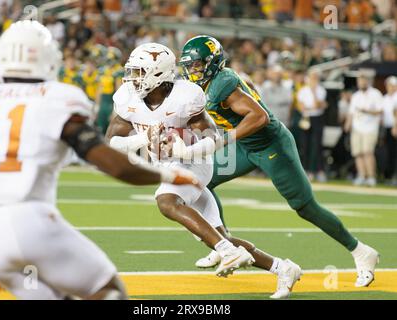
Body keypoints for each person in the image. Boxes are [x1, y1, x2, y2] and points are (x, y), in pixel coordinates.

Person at [0, 20, 198, 300]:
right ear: (48, 57)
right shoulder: (57, 97)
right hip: (31, 222)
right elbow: (113, 164)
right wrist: (169, 176)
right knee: (108, 290)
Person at [179, 35, 379, 288]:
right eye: (190, 65)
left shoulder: (222, 83)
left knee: (305, 207)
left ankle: (361, 251)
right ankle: (224, 244)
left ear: (212, 62)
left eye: (197, 65)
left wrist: (221, 140)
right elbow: (248, 88)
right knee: (201, 183)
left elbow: (260, 116)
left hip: (271, 145)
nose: (192, 71)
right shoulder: (218, 81)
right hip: (246, 146)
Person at [105, 43, 302, 298]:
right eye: (133, 71)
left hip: (193, 163)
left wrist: (186, 150)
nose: (134, 78)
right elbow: (112, 141)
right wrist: (144, 140)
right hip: (165, 165)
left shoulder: (186, 96)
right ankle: (282, 268)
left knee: (166, 201)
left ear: (159, 73)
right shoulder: (127, 97)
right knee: (217, 236)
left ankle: (228, 252)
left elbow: (210, 135)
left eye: (141, 72)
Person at [344, 73, 383, 187]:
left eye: (363, 81)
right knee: (358, 153)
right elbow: (351, 112)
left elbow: (380, 111)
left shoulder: (376, 94)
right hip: (357, 127)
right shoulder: (356, 95)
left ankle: (371, 177)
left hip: (370, 127)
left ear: (368, 81)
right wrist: (348, 124)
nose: (361, 83)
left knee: (368, 152)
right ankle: (362, 175)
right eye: (360, 81)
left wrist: (366, 111)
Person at [297, 69, 328, 182]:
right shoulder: (303, 90)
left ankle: (318, 171)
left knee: (317, 145)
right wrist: (312, 107)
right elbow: (301, 107)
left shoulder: (321, 90)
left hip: (317, 119)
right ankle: (306, 170)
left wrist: (313, 91)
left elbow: (317, 105)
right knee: (305, 145)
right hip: (306, 118)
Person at [381, 76, 397, 184]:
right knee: (390, 153)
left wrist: (395, 127)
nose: (390, 87)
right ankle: (390, 176)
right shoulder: (385, 97)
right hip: (387, 128)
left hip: (394, 128)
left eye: (392, 85)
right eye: (388, 85)